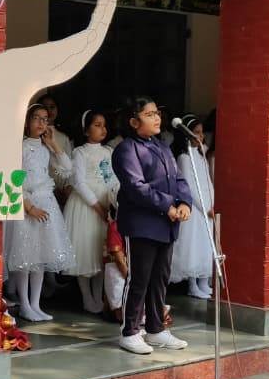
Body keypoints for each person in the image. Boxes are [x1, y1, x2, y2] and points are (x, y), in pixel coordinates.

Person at [111, 96, 192, 355]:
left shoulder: (162, 146)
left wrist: (184, 202)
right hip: (142, 223)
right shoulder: (126, 150)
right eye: (149, 114)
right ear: (134, 122)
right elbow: (136, 187)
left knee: (160, 278)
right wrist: (167, 205)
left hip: (166, 223)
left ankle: (156, 329)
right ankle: (130, 331)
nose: (157, 118)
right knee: (139, 278)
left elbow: (178, 178)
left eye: (157, 113)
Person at [2, 103, 74, 322]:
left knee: (40, 257)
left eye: (45, 119)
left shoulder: (45, 148)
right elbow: (14, 180)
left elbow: (67, 169)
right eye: (36, 118)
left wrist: (53, 144)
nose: (41, 123)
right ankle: (24, 304)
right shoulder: (20, 147)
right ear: (26, 122)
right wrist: (28, 206)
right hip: (27, 205)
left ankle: (36, 304)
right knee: (25, 258)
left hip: (46, 204)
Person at [63, 109, 119, 315]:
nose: (102, 129)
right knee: (85, 251)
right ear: (86, 130)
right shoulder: (80, 152)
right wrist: (97, 206)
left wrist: (113, 201)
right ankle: (86, 297)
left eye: (104, 125)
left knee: (101, 252)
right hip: (86, 206)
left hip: (105, 203)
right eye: (97, 125)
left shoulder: (109, 151)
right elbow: (79, 182)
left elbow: (113, 178)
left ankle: (98, 296)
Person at [169, 114, 215, 299]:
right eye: (196, 132)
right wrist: (203, 207)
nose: (200, 136)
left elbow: (207, 182)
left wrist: (213, 202)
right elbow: (189, 187)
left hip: (208, 207)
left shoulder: (201, 155)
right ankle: (192, 285)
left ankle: (204, 282)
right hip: (196, 208)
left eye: (202, 133)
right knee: (193, 246)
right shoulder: (184, 158)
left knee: (206, 245)